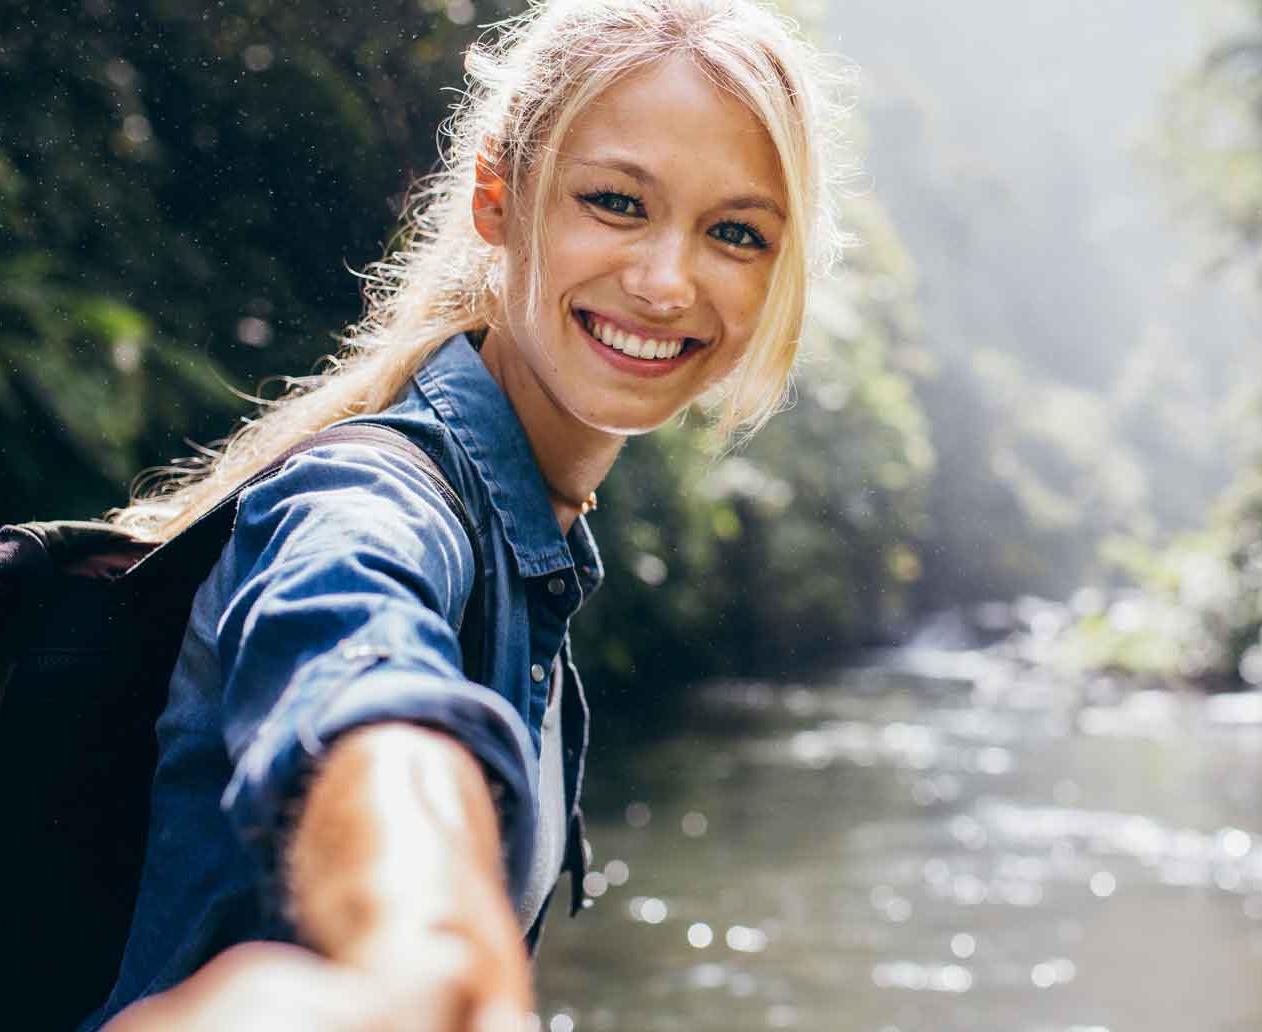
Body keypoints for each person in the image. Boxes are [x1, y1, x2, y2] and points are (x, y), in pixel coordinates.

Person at [78, 1, 848, 1028]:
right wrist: (421, 931)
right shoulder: (371, 498)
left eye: (734, 232)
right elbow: (357, 678)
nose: (666, 281)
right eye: (617, 202)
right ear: (499, 197)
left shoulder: (541, 539)